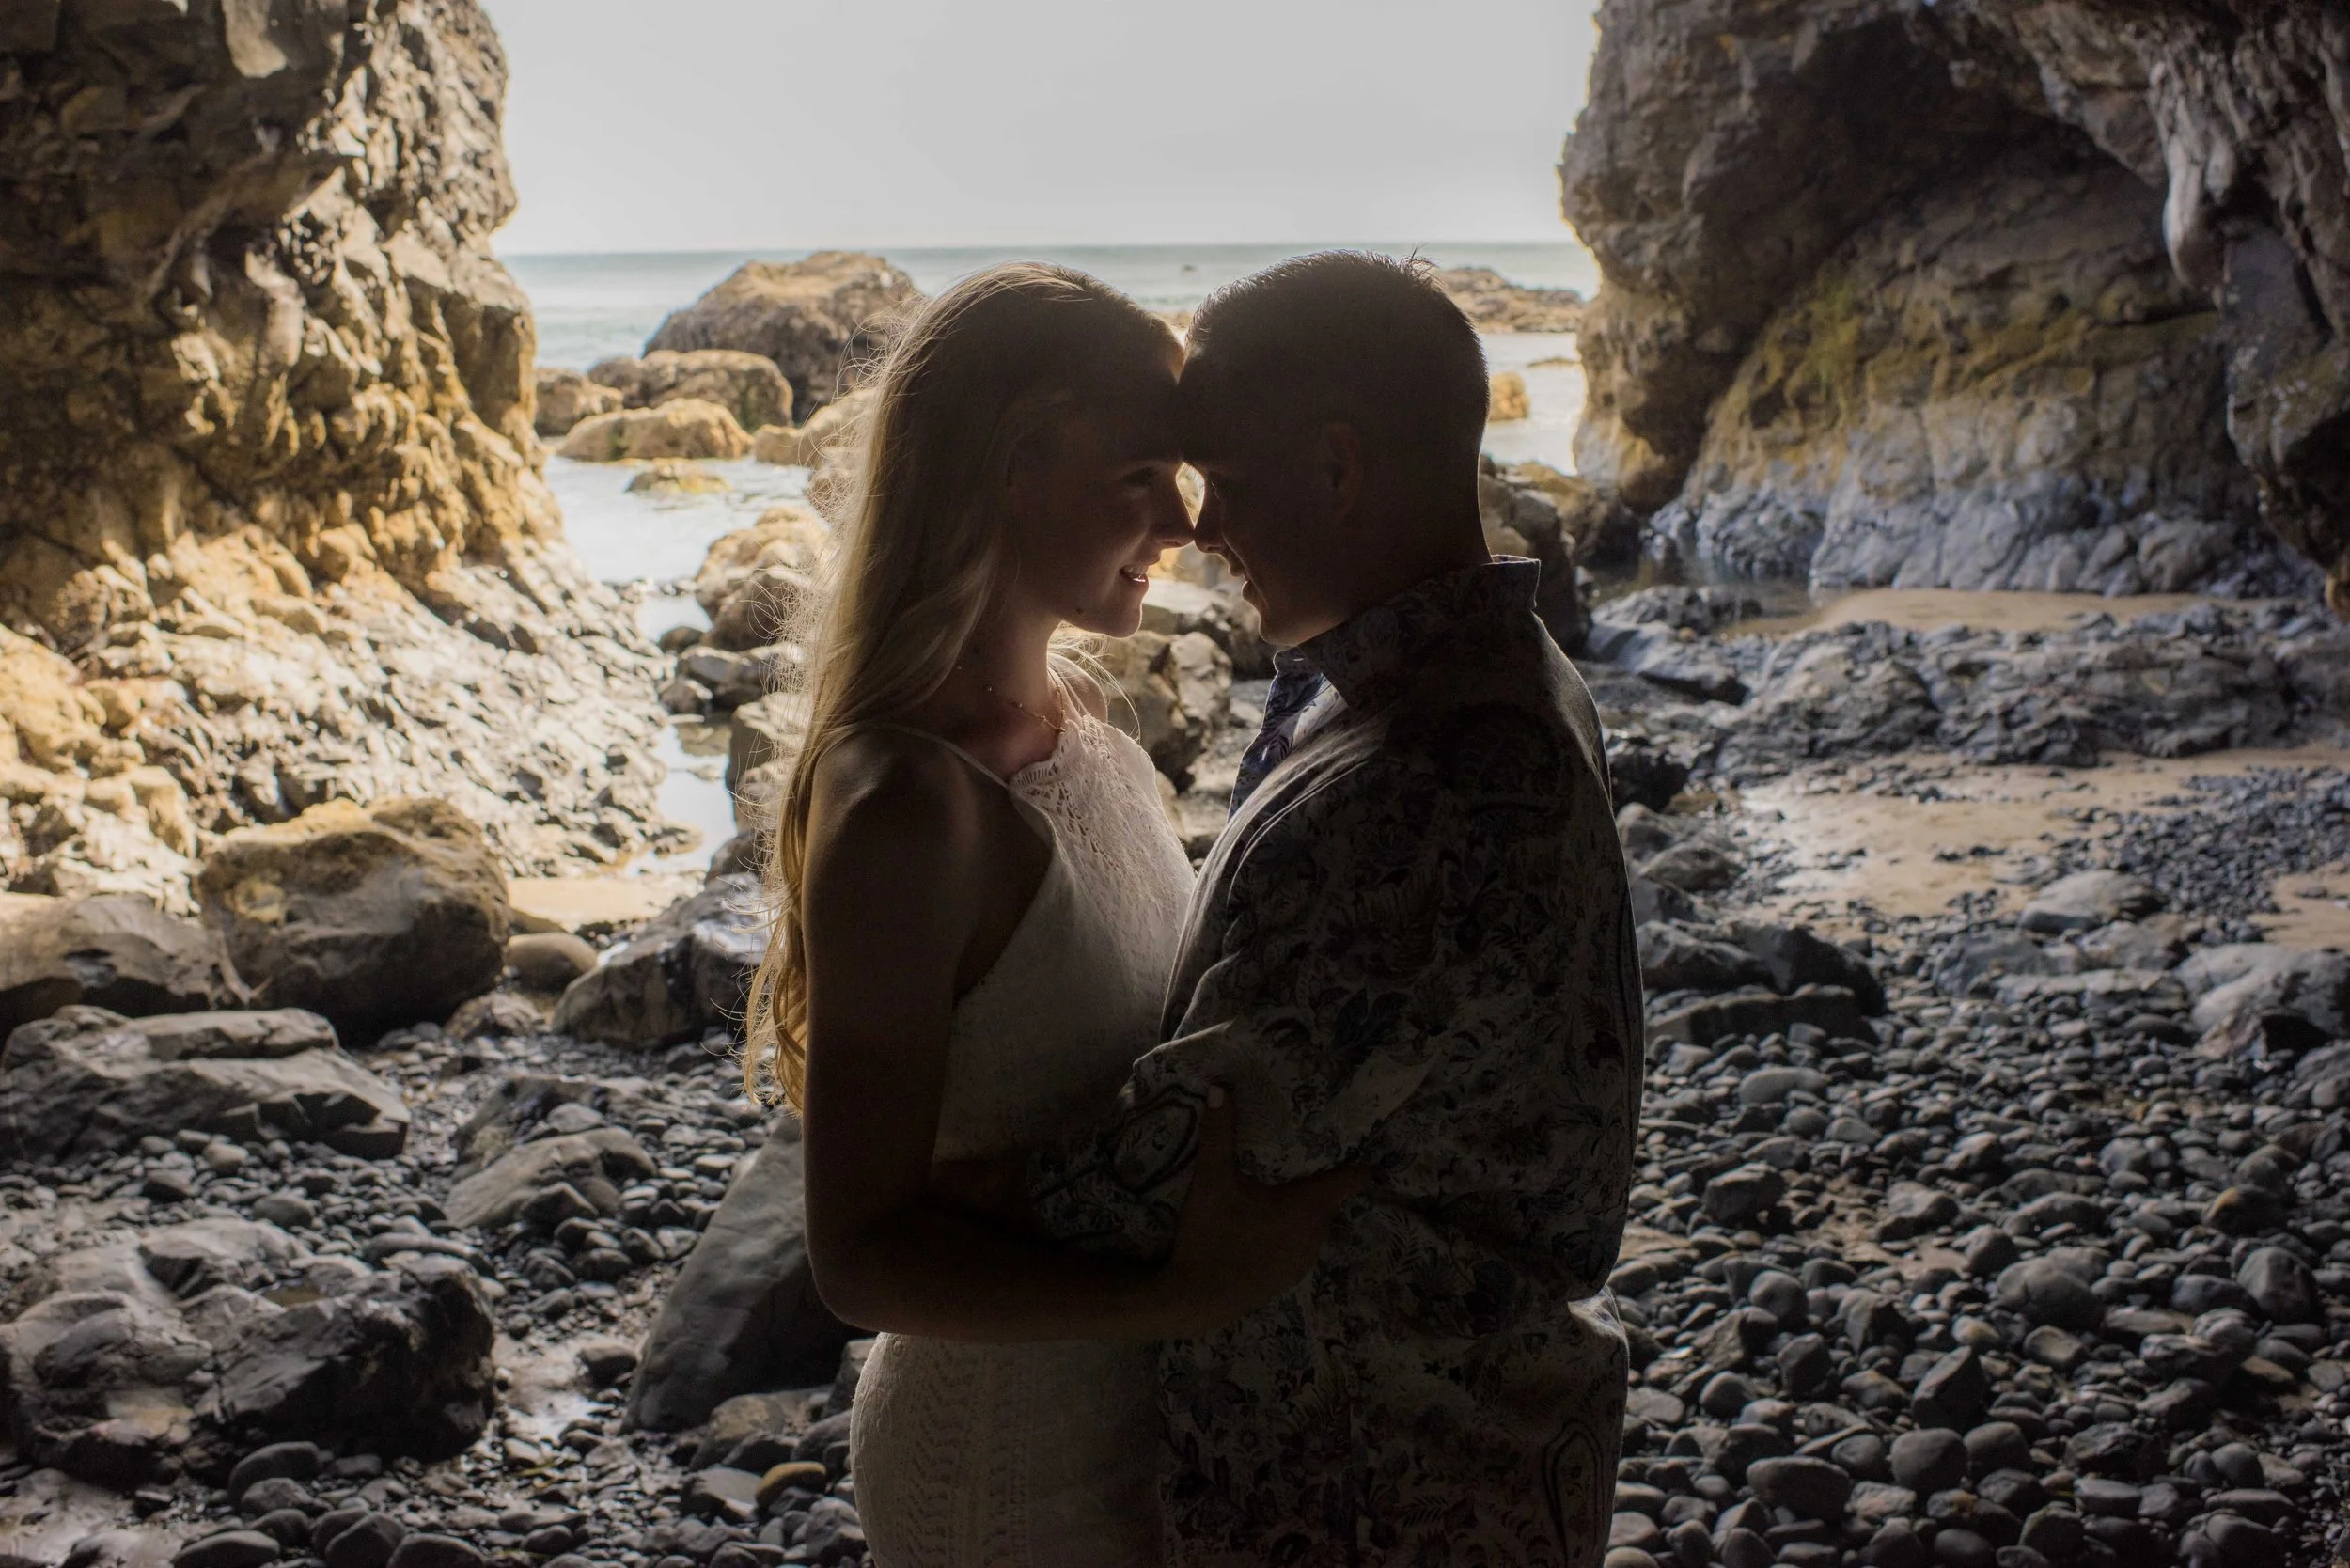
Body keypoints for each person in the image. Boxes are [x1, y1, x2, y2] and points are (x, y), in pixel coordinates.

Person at [983, 250, 1647, 1565]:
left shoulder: (1430, 774)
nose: (1194, 527)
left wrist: (899, 1188)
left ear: (1337, 468)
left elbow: (1182, 1173)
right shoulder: (1465, 672)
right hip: (1446, 1446)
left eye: (1218, 479)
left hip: (1382, 1491)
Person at [741, 262, 1363, 1568]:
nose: (1186, 524)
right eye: (1143, 475)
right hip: (1005, 1461)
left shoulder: (1092, 734)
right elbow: (859, 1255)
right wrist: (1178, 1291)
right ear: (1013, 462)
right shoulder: (911, 805)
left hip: (1154, 1425)